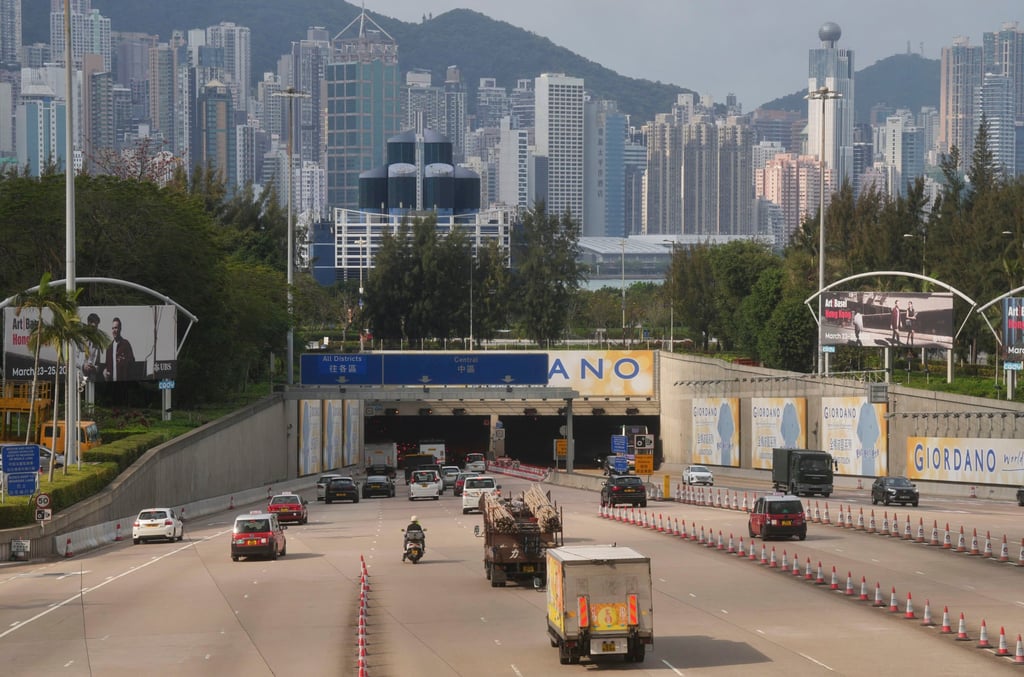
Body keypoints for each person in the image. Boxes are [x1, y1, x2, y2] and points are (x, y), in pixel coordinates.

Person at [103, 316, 136, 381]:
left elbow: (132, 363)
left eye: (116, 328)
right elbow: (106, 366)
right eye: (112, 328)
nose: (114, 330)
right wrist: (105, 371)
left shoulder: (126, 344)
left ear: (120, 328)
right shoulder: (109, 348)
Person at [79, 313, 104, 382]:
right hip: (80, 376)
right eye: (94, 326)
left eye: (97, 326)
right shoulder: (81, 339)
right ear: (89, 324)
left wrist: (94, 368)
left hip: (91, 378)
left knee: (90, 392)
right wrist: (83, 366)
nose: (96, 329)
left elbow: (97, 364)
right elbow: (74, 358)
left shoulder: (97, 343)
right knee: (80, 391)